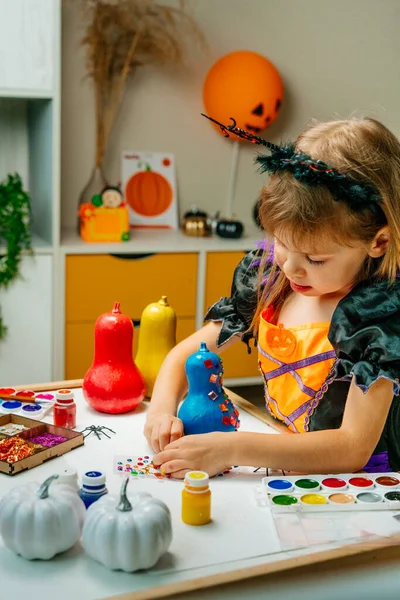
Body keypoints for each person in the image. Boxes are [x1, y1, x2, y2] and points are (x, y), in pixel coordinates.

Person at [144, 115, 400, 479]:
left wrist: (232, 448)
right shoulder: (270, 279)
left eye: (315, 258)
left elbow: (351, 447)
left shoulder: (379, 320)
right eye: (281, 242)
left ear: (379, 241)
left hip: (359, 488)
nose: (291, 268)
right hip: (285, 464)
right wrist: (160, 413)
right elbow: (184, 356)